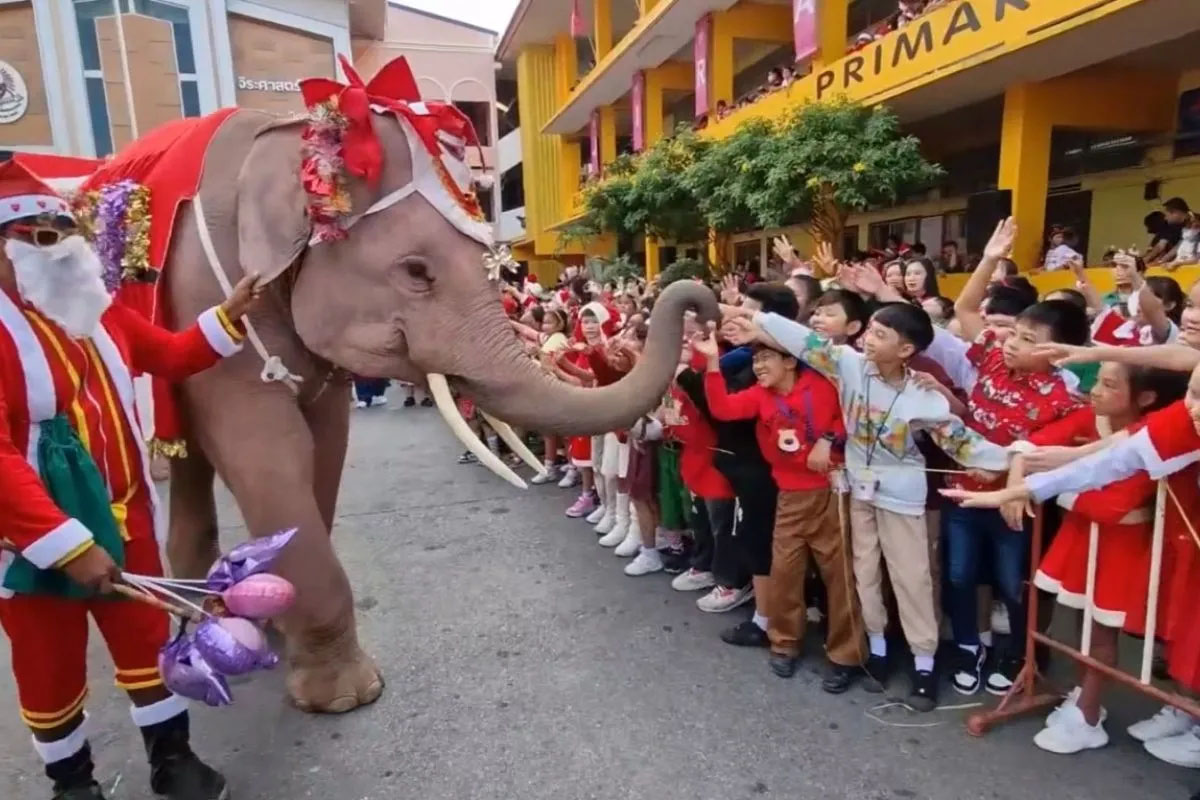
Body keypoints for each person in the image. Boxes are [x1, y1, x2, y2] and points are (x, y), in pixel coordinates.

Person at [0, 161, 260, 800]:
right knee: (48, 666)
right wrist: (67, 546)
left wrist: (226, 316)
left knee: (146, 646)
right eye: (41, 234)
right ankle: (74, 784)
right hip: (33, 547)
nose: (61, 244)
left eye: (67, 230)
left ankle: (174, 762)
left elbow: (170, 355)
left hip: (125, 516)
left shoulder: (96, 312)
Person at [721, 299, 1015, 711]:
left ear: (907, 350)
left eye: (880, 334)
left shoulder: (921, 393)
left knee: (911, 579)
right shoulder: (849, 365)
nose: (867, 340)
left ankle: (924, 664)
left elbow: (959, 438)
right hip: (857, 492)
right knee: (863, 575)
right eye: (869, 331)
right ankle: (875, 651)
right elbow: (805, 342)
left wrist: (1002, 462)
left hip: (903, 498)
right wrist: (754, 317)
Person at [943, 218, 1089, 696]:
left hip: (1014, 507)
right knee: (961, 574)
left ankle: (1022, 654)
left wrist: (1010, 472)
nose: (1012, 344)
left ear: (1060, 353)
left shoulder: (1064, 400)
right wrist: (988, 259)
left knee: (1014, 583)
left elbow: (1047, 456)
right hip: (963, 494)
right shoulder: (988, 354)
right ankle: (968, 645)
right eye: (1014, 334)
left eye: (1029, 341)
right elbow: (965, 307)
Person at [1017, 364, 1187, 754]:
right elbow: (1037, 443)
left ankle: (1091, 712)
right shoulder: (1094, 418)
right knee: (1083, 621)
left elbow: (1114, 502)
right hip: (1082, 539)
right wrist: (1021, 474)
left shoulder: (1154, 438)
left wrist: (1057, 487)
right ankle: (1084, 695)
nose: (1094, 390)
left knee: (1102, 630)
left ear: (1144, 398)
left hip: (1121, 547)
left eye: (1109, 385)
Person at [696, 325, 867, 690]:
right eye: (755, 359)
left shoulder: (821, 385)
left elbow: (850, 414)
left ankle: (845, 656)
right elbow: (723, 409)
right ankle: (784, 644)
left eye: (766, 357)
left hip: (830, 492)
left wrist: (827, 440)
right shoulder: (760, 395)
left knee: (839, 578)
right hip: (788, 495)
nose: (758, 366)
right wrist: (712, 361)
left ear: (790, 360)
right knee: (785, 574)